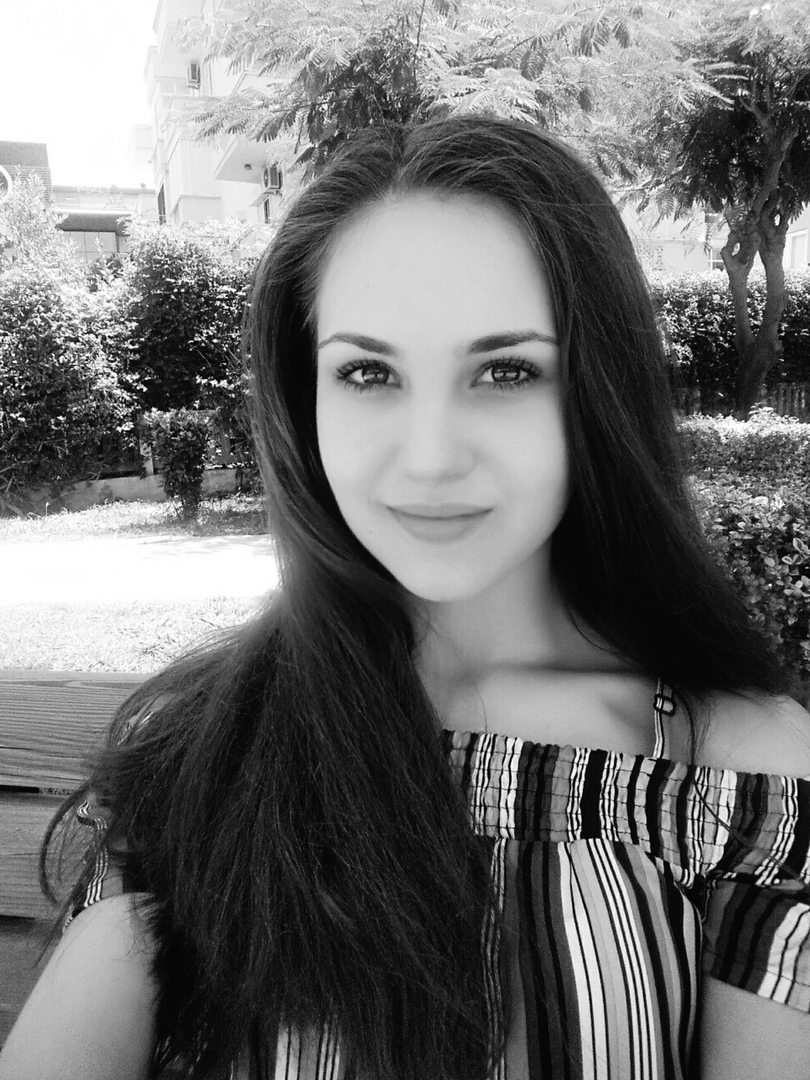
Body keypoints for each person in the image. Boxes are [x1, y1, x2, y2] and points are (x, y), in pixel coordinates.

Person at [1, 114, 808, 1080]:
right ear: (304, 396)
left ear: (598, 390)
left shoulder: (746, 775)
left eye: (506, 371)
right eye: (367, 373)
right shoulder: (210, 746)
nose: (429, 458)